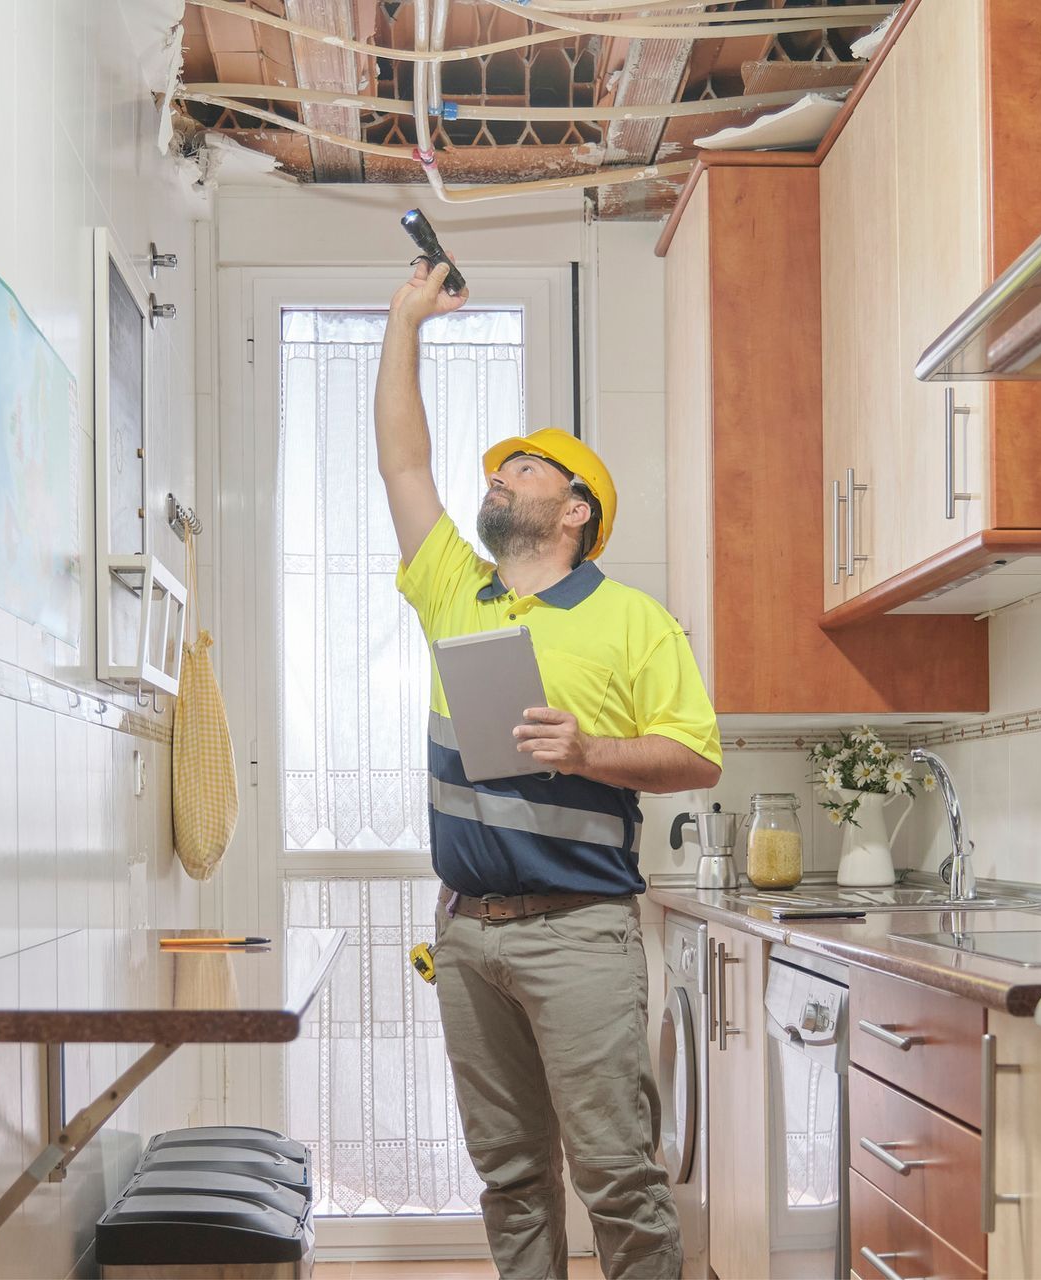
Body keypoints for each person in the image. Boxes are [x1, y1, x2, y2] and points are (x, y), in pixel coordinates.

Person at [374, 257, 723, 1279]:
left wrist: (589, 749)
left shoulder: (632, 619)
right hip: (469, 934)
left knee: (616, 1175)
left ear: (577, 510)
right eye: (500, 466)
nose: (501, 474)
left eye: (525, 467)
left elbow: (695, 752)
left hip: (581, 935)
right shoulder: (456, 590)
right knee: (512, 1176)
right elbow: (402, 463)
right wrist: (407, 322)